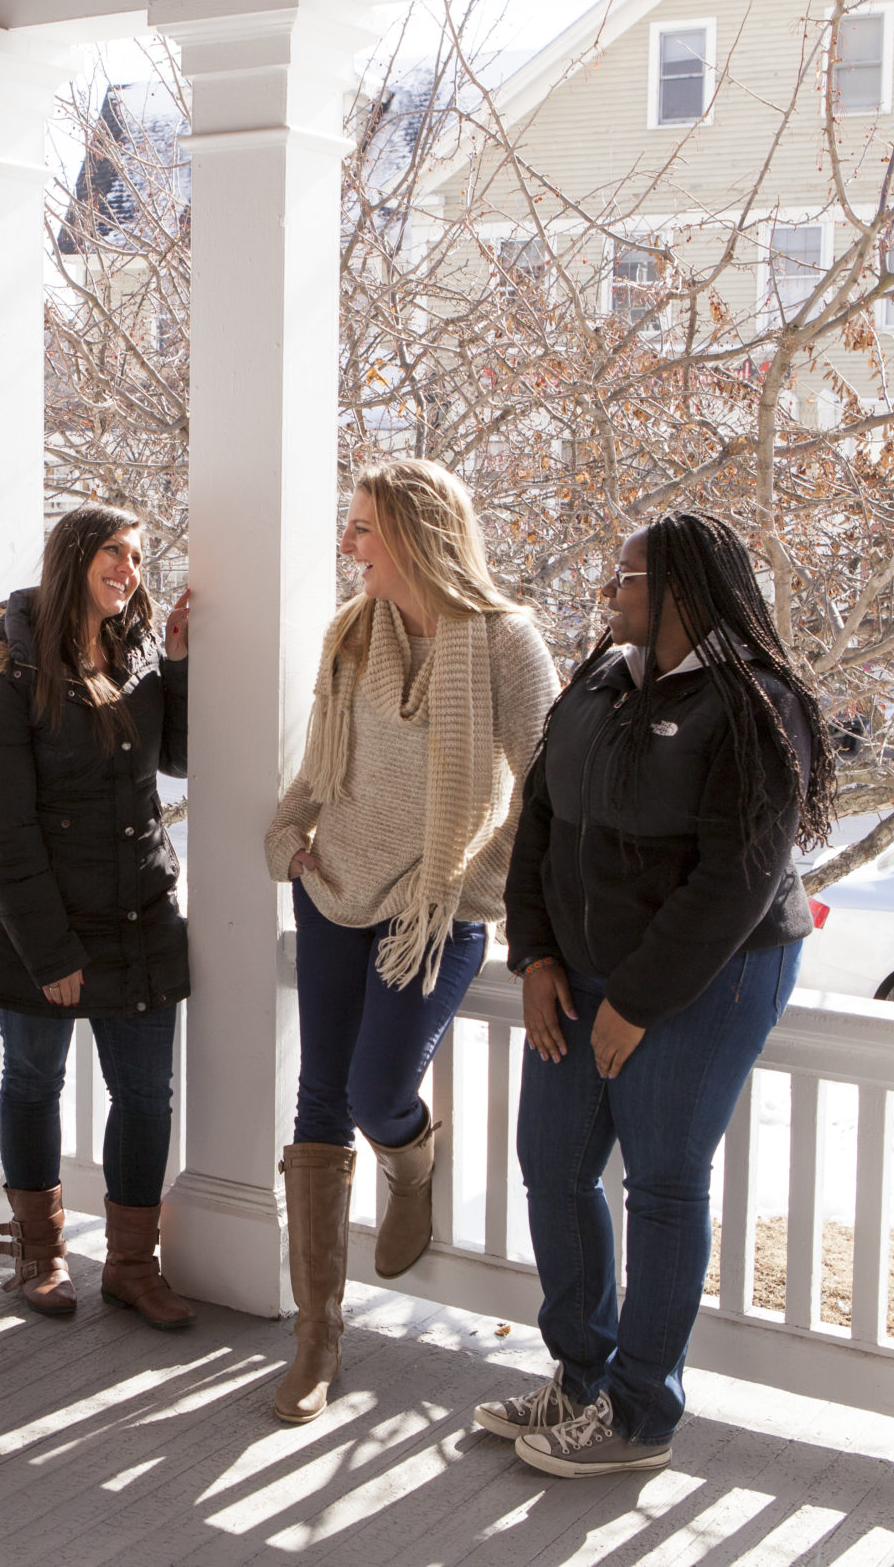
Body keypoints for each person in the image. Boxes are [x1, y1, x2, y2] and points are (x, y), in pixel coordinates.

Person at [480, 510, 834, 1476]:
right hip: (584, 969)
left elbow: (740, 877)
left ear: (681, 589)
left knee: (664, 1180)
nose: (611, 592)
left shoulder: (756, 703)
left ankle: (640, 1415)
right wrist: (538, 956)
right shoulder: (600, 680)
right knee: (552, 1165)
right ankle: (582, 1377)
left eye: (628, 578)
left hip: (709, 974)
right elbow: (539, 819)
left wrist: (634, 1001)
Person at [264, 458, 560, 1423]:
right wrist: (290, 828)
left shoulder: (507, 643)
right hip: (336, 884)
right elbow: (324, 759)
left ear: (415, 534)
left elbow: (547, 786)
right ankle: (318, 1339)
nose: (349, 546)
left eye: (363, 530)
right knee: (319, 1092)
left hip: (438, 903)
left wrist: (480, 874)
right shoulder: (352, 633)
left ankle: (411, 1153)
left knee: (374, 1089)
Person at [0, 505, 198, 1331]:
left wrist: (181, 665)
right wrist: (51, 951)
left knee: (146, 1092)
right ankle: (39, 1251)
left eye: (137, 556)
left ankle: (131, 1265)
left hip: (136, 908)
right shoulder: (1, 662)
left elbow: (178, 756)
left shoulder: (128, 651)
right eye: (114, 552)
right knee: (32, 1079)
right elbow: (1, 824)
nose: (128, 568)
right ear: (73, 556)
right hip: (40, 918)